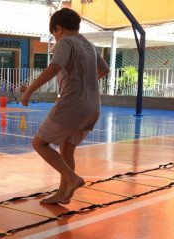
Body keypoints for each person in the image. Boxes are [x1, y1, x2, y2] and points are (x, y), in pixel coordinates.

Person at [20, 8, 109, 204]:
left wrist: (29, 91)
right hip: (93, 106)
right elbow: (104, 70)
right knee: (67, 149)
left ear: (58, 29)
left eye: (53, 34)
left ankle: (72, 178)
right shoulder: (89, 45)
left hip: (72, 104)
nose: (55, 38)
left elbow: (54, 68)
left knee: (39, 143)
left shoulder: (65, 42)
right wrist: (84, 81)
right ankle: (63, 193)